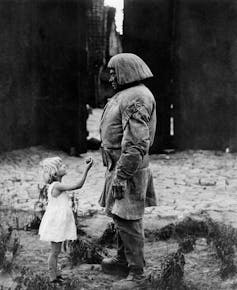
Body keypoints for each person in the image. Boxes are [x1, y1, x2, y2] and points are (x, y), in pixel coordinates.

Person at [99, 53, 157, 290]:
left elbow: (136, 144)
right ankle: (123, 261)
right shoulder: (127, 94)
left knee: (129, 220)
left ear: (127, 71)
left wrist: (122, 176)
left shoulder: (137, 97)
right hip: (118, 166)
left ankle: (137, 273)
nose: (110, 77)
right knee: (121, 216)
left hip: (128, 169)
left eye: (113, 72)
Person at [38, 156, 93, 285]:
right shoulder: (57, 185)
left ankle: (56, 274)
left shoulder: (56, 185)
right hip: (56, 222)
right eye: (61, 165)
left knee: (56, 251)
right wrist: (86, 170)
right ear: (55, 172)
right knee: (55, 251)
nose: (64, 166)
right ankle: (53, 277)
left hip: (57, 221)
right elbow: (78, 185)